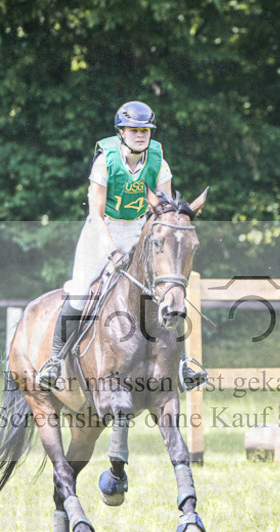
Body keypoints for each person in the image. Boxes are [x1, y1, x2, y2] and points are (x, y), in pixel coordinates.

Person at [37, 101, 207, 392]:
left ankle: (183, 364)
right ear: (121, 132)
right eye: (134, 130)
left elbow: (164, 211)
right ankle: (54, 360)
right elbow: (96, 213)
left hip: (139, 228)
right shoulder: (105, 161)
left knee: (167, 291)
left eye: (145, 130)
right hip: (101, 228)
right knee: (80, 290)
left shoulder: (159, 162)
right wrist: (112, 251)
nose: (140, 135)